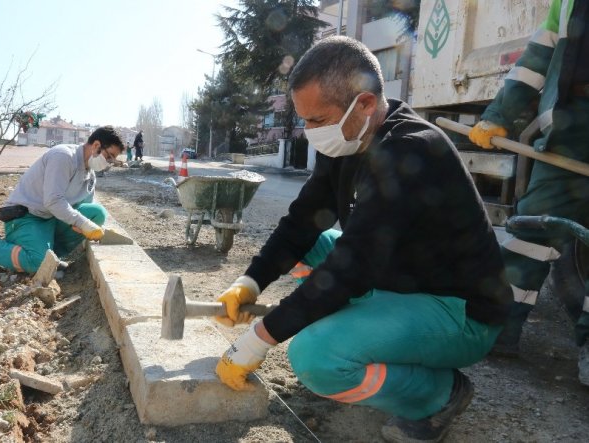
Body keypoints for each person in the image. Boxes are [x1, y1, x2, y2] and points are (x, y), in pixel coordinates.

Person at [213, 36, 511, 443]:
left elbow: (351, 268)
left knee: (314, 357)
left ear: (365, 104)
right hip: (397, 278)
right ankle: (357, 333)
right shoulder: (348, 142)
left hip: (458, 311)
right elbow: (302, 222)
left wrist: (258, 339)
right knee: (314, 246)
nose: (309, 132)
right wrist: (250, 280)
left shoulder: (411, 154)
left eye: (317, 120)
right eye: (305, 120)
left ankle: (438, 397)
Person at [468, 0, 589, 384]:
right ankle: (498, 330)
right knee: (532, 235)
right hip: (574, 132)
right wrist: (499, 115)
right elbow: (535, 61)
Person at [0, 126, 124, 276]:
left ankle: (51, 254)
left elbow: (82, 207)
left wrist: (86, 224)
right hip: (26, 217)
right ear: (96, 145)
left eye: (112, 160)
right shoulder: (63, 157)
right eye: (108, 156)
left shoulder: (90, 175)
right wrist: (81, 223)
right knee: (38, 263)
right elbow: (54, 201)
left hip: (49, 218)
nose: (108, 163)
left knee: (96, 214)